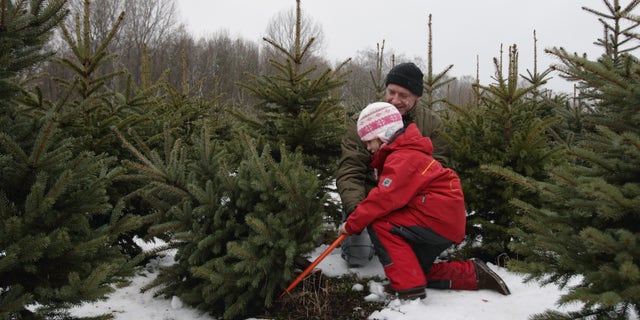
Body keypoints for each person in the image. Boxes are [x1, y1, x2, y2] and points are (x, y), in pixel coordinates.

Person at [338, 102, 511, 299]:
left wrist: (352, 224)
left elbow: (383, 199)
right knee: (413, 268)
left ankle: (409, 288)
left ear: (382, 135)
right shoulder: (406, 153)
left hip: (434, 219)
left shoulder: (402, 157)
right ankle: (474, 274)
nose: (368, 148)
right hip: (443, 221)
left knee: (379, 222)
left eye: (369, 141)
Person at [336, 62, 448, 268]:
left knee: (411, 258)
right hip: (368, 199)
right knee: (357, 256)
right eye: (391, 92)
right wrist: (356, 212)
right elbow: (350, 170)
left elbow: (437, 172)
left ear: (417, 97)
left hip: (408, 202)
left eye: (403, 95)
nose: (395, 100)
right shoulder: (364, 121)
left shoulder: (431, 124)